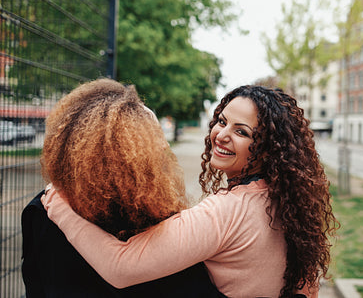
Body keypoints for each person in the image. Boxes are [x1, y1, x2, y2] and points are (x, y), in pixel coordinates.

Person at [42, 85, 340, 298]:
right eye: (222, 121)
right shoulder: (289, 202)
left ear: (269, 149)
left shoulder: (226, 212)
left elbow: (121, 267)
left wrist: (59, 209)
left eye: (241, 132)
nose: (221, 135)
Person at [22, 78, 225, 297]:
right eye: (155, 136)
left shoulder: (42, 209)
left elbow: (35, 284)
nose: (164, 145)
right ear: (135, 151)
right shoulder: (152, 217)